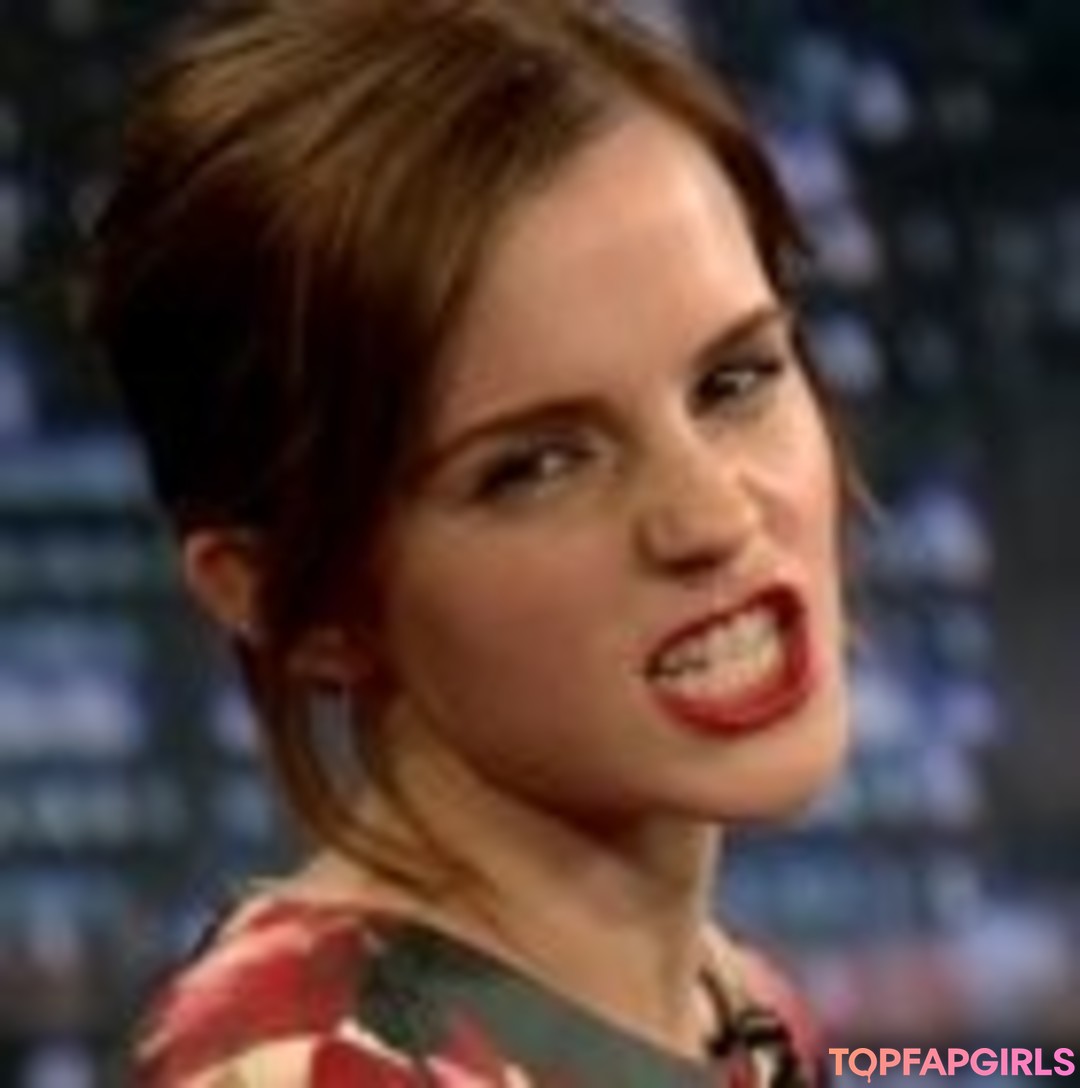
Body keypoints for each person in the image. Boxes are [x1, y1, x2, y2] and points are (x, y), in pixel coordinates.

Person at [88, 0, 856, 1084]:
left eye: (735, 380)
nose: (715, 518)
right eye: (537, 465)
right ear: (292, 598)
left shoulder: (743, 1009)